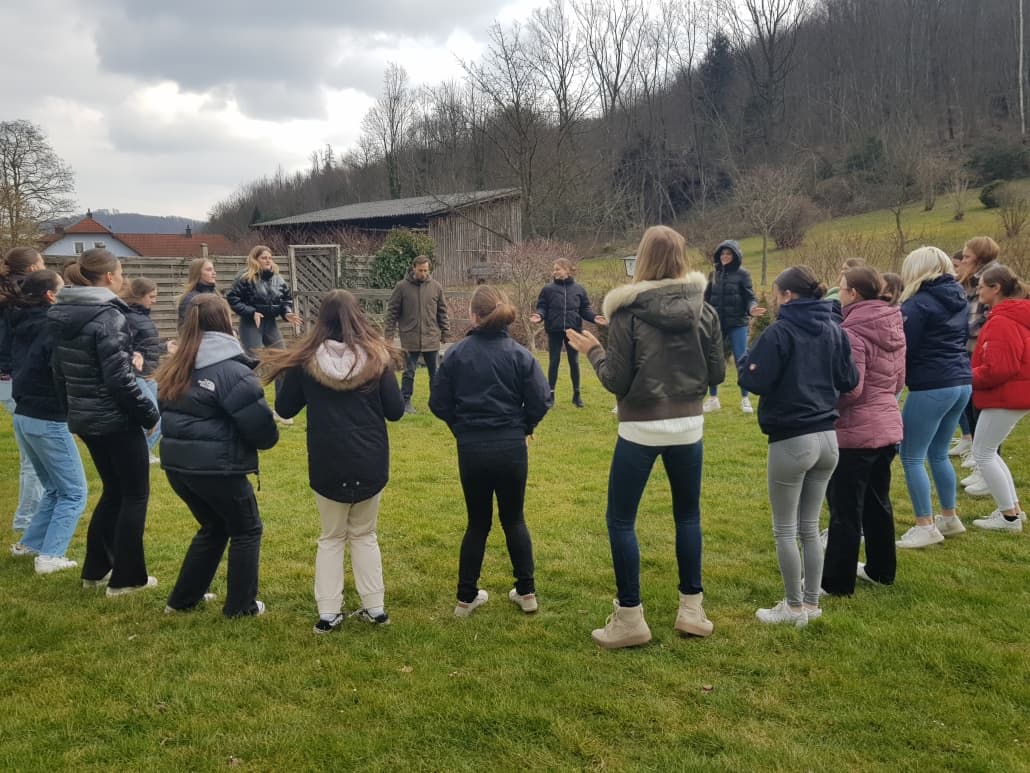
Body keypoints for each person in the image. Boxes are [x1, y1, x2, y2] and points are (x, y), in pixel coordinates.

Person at [566, 225, 725, 649]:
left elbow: (616, 380)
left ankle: (630, 617)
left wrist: (593, 351)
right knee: (687, 516)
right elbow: (717, 373)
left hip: (639, 426)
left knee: (621, 519)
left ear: (643, 258)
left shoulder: (627, 313)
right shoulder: (705, 311)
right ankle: (691, 610)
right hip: (688, 426)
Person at [262, 290, 405, 633]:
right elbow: (396, 410)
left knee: (331, 536)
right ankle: (375, 607)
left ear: (321, 319)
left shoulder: (306, 362)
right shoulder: (377, 358)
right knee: (364, 534)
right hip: (370, 459)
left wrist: (291, 371)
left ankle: (328, 612)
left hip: (327, 460)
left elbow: (284, 407)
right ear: (358, 316)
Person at [738, 265, 858, 626]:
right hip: (828, 438)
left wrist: (747, 358)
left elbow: (754, 381)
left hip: (792, 438)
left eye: (777, 294)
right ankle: (811, 603)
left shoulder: (780, 331)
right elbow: (849, 379)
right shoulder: (835, 329)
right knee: (810, 526)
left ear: (788, 295)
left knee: (786, 529)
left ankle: (793, 607)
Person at [429, 285, 550, 619]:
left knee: (477, 522)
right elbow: (542, 399)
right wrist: (525, 426)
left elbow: (438, 402)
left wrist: (460, 426)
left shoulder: (456, 354)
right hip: (511, 448)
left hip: (472, 449)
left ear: (473, 315)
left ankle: (465, 598)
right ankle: (526, 592)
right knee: (514, 519)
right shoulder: (520, 355)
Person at [156, 295, 279, 617]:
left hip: (179, 466)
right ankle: (241, 607)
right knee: (246, 529)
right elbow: (261, 429)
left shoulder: (176, 366)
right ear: (226, 321)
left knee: (213, 527)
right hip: (215, 468)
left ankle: (182, 601)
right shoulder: (231, 371)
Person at [48, 249, 161, 595]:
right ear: (110, 276)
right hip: (116, 420)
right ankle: (127, 580)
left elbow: (58, 373)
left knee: (113, 492)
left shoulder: (62, 312)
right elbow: (119, 379)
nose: (123, 278)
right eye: (121, 272)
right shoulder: (109, 316)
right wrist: (149, 414)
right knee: (134, 495)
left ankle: (96, 571)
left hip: (86, 418)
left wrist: (72, 415)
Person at [822, 266, 905, 594]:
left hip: (856, 432)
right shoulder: (894, 323)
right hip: (887, 425)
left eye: (841, 288)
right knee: (877, 501)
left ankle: (836, 582)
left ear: (853, 293)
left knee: (845, 509)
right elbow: (898, 381)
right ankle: (882, 569)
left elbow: (851, 388)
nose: (839, 293)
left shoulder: (852, 331)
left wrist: (825, 402)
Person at [8, 270, 88, 574]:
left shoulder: (20, 322)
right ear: (50, 295)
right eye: (62, 287)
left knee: (55, 488)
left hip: (24, 413)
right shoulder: (51, 328)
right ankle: (51, 556)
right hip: (46, 416)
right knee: (74, 492)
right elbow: (59, 373)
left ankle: (30, 544)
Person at [895, 246, 972, 548]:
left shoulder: (917, 304)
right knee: (938, 452)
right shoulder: (959, 299)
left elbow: (904, 347)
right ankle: (949, 517)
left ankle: (925, 524)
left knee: (911, 455)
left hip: (931, 384)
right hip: (960, 381)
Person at [968, 264, 1030, 533]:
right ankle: (1012, 510)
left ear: (996, 289)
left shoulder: (1002, 321)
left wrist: (967, 376)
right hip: (1015, 393)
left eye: (982, 286)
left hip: (1006, 395)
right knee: (988, 451)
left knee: (982, 453)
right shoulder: (1011, 315)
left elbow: (999, 368)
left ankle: (1008, 517)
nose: (978, 291)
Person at [226, 245, 301, 423]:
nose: (268, 261)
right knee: (253, 363)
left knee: (282, 361)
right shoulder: (245, 277)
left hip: (270, 324)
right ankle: (250, 406)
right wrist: (251, 312)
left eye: (269, 257)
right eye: (264, 258)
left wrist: (287, 312)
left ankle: (281, 410)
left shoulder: (278, 278)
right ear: (255, 259)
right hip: (251, 323)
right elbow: (232, 298)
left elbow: (285, 300)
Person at [0, 247, 44, 536]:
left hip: (8, 380)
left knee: (32, 454)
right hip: (17, 380)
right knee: (34, 458)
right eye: (41, 262)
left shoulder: (9, 297)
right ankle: (27, 521)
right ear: (32, 269)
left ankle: (31, 517)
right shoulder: (22, 300)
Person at [952, 236, 1000, 479]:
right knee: (971, 408)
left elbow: (985, 321)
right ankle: (980, 462)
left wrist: (955, 330)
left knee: (983, 411)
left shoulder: (991, 279)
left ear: (980, 258)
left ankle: (986, 468)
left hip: (982, 354)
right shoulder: (969, 280)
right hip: (968, 352)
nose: (963, 260)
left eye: (967, 256)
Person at [529, 258, 606, 407]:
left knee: (574, 362)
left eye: (557, 269)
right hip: (554, 330)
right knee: (554, 362)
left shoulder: (579, 290)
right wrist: (539, 315)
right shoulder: (547, 290)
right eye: (554, 269)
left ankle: (577, 396)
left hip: (573, 331)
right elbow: (542, 307)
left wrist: (595, 317)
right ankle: (550, 395)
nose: (554, 272)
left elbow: (585, 310)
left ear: (567, 270)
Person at [702, 240, 763, 414]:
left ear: (735, 256)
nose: (725, 256)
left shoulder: (743, 274)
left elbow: (749, 297)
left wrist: (752, 308)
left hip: (737, 324)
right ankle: (713, 398)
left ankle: (745, 399)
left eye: (728, 253)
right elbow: (706, 299)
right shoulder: (713, 275)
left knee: (741, 359)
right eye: (722, 253)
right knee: (713, 360)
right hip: (716, 324)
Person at [384, 255, 449, 414]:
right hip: (410, 337)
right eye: (420, 270)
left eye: (426, 270)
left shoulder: (436, 287)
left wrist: (445, 332)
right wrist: (389, 336)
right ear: (413, 268)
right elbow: (392, 313)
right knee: (409, 372)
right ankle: (405, 402)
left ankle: (436, 402)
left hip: (431, 337)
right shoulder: (401, 287)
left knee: (435, 373)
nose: (423, 273)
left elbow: (442, 311)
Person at [123, 277, 176, 464]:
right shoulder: (129, 318)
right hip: (137, 375)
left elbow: (146, 347)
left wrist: (164, 347)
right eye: (151, 297)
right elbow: (123, 346)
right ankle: (139, 454)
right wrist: (133, 358)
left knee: (160, 415)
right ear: (138, 296)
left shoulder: (143, 317)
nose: (154, 301)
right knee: (154, 417)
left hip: (149, 374)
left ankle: (142, 452)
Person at [177, 257, 219, 329]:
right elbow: (186, 328)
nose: (214, 273)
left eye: (213, 270)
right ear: (198, 273)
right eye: (208, 270)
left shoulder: (216, 295)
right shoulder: (190, 299)